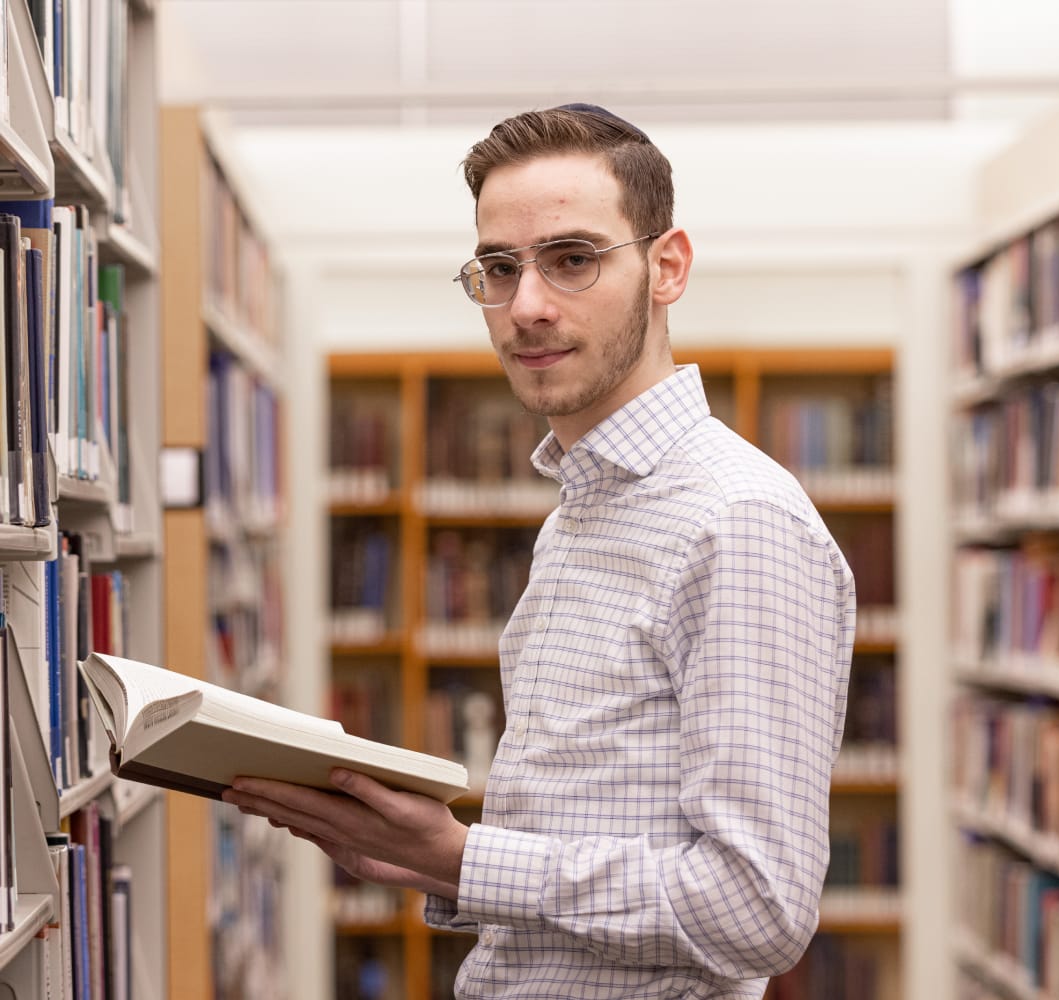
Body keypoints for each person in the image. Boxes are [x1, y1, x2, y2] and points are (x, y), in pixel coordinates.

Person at [224, 104, 856, 999]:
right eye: (497, 268)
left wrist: (468, 859)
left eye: (572, 259)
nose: (526, 306)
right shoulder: (579, 512)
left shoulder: (738, 521)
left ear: (666, 266)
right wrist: (431, 861)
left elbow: (759, 909)